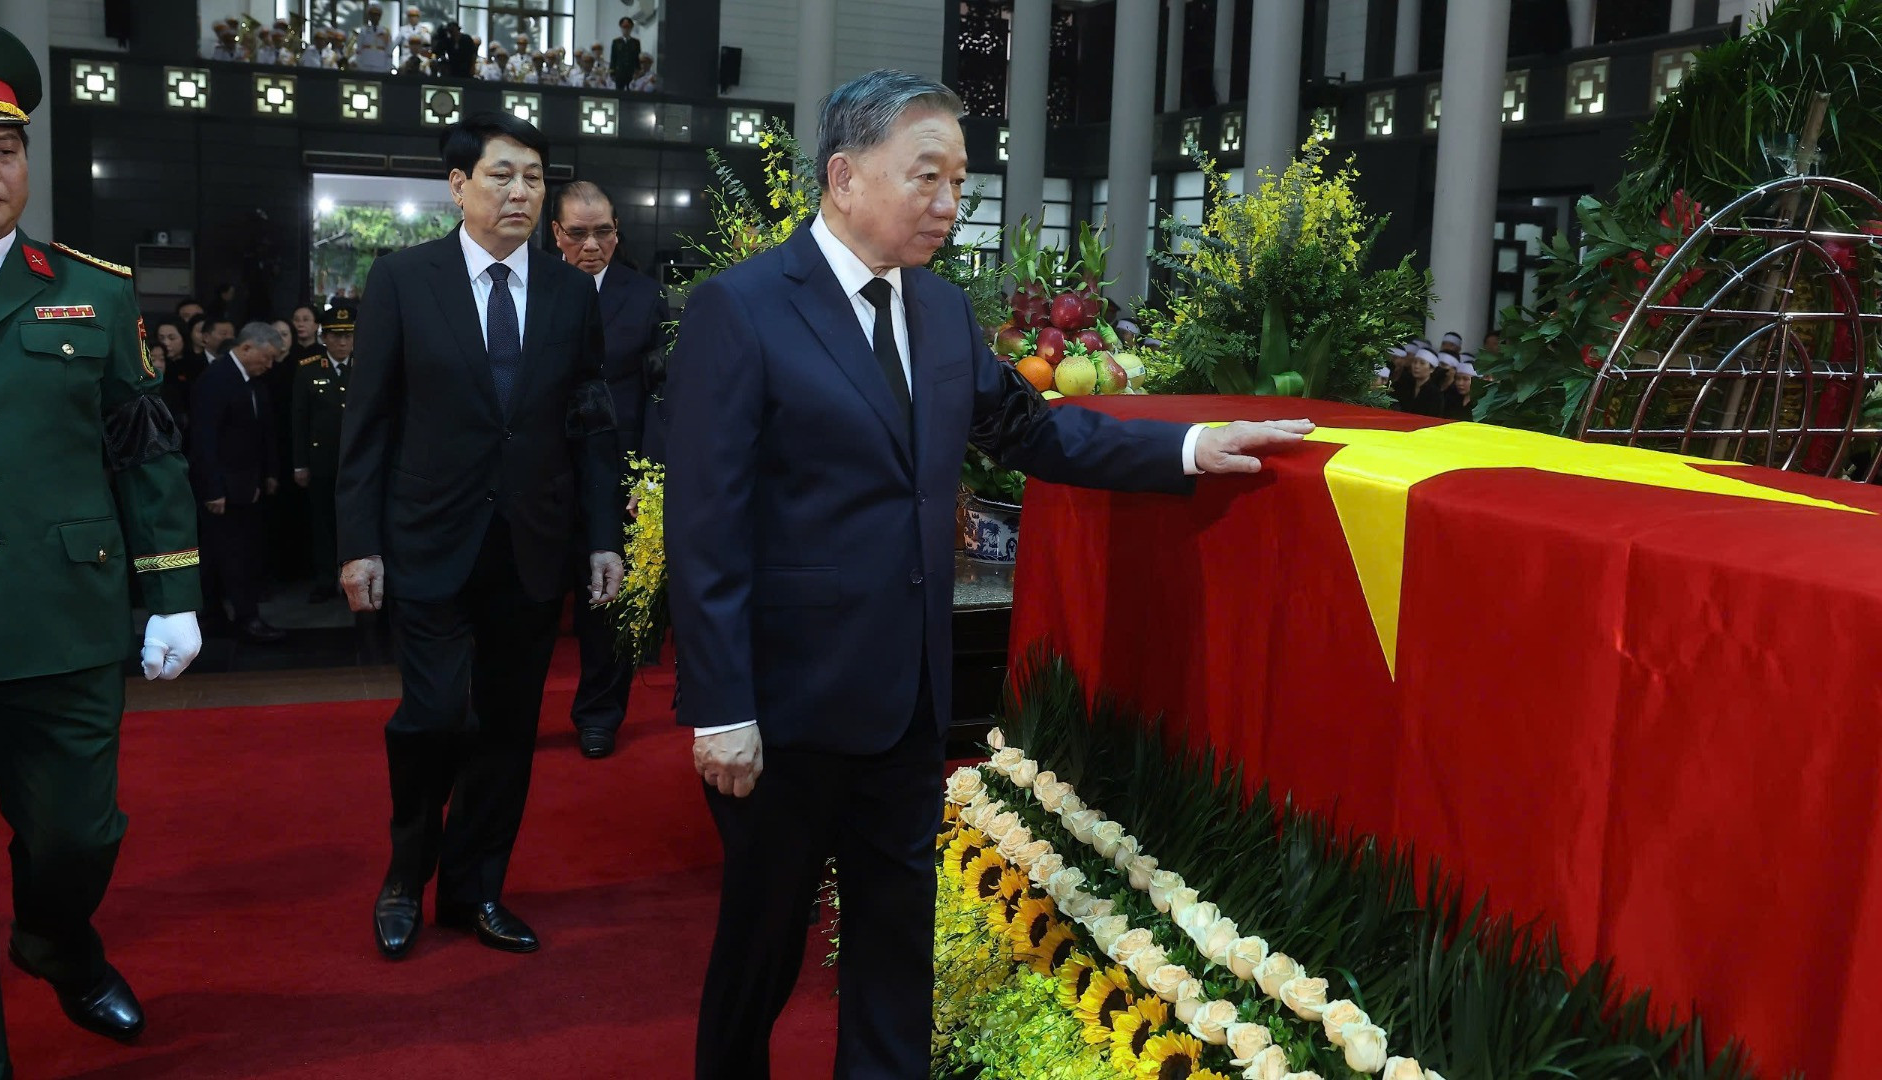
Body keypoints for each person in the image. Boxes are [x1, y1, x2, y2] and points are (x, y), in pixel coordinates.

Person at [665, 70, 1313, 1079]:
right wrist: (719, 705)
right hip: (783, 707)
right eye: (928, 178)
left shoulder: (938, 310)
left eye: (960, 181)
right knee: (763, 946)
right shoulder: (741, 310)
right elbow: (707, 524)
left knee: (893, 952)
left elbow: (1030, 431)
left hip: (906, 697)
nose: (949, 203)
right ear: (843, 176)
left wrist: (1189, 447)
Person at [0, 20, 204, 1075]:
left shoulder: (94, 292)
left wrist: (176, 590)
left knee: (78, 836)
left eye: (2, 150)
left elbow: (145, 449)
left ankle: (56, 937)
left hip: (64, 621)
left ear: (28, 162)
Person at [337, 111, 626, 962]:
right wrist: (360, 541)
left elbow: (593, 423)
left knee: (506, 730)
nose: (520, 192)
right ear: (457, 185)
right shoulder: (403, 278)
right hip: (427, 541)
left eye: (533, 177)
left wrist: (603, 536)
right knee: (430, 717)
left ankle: (475, 891)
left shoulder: (571, 293)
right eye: (502, 175)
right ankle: (404, 876)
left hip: (530, 547)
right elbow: (369, 422)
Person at [551, 181, 672, 759]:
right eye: (578, 234)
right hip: (544, 468)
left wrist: (650, 478)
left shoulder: (645, 296)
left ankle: (600, 714)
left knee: (608, 601)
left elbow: (660, 392)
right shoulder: (531, 288)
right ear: (556, 235)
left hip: (620, 473)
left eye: (603, 232)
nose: (592, 245)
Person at [189, 323, 287, 643]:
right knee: (227, 555)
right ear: (247, 348)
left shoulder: (253, 381)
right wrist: (213, 488)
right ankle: (237, 616)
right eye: (267, 357)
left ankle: (232, 614)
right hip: (222, 489)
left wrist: (266, 474)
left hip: (246, 486)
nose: (270, 365)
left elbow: (260, 433)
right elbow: (204, 440)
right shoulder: (216, 379)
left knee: (243, 552)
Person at [293, 300, 355, 603]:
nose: (342, 342)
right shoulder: (307, 369)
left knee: (352, 523)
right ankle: (323, 579)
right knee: (321, 524)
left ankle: (351, 581)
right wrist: (299, 464)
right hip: (321, 461)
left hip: (356, 463)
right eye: (335, 335)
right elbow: (299, 420)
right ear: (324, 337)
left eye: (347, 335)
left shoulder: (366, 365)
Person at [353, 3, 392, 73]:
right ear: (369, 16)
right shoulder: (363, 31)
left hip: (381, 65)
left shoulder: (385, 32)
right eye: (372, 15)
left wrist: (388, 66)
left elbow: (388, 50)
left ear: (380, 16)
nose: (375, 17)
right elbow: (359, 49)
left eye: (377, 15)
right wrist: (359, 64)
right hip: (365, 64)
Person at [609, 17, 641, 91]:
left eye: (628, 27)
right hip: (619, 72)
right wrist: (612, 72)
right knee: (619, 91)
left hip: (631, 72)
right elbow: (613, 58)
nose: (626, 29)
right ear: (621, 28)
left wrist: (637, 70)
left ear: (631, 28)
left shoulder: (636, 42)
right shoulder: (616, 42)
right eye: (624, 27)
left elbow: (637, 58)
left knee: (631, 91)